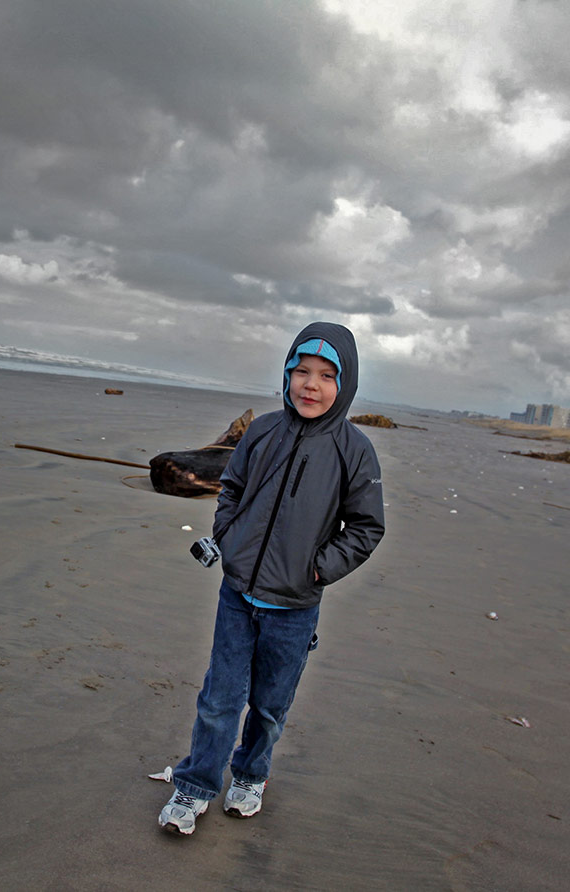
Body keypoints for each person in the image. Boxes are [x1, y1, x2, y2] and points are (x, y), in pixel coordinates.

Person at [159, 321, 385, 835]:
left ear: (344, 384)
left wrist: (321, 567)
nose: (311, 384)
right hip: (237, 594)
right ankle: (195, 785)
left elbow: (368, 527)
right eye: (301, 371)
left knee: (268, 707)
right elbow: (231, 488)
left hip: (296, 604)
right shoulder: (261, 430)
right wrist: (230, 537)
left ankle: (250, 774)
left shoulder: (354, 450)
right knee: (220, 699)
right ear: (286, 374)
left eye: (327, 375)